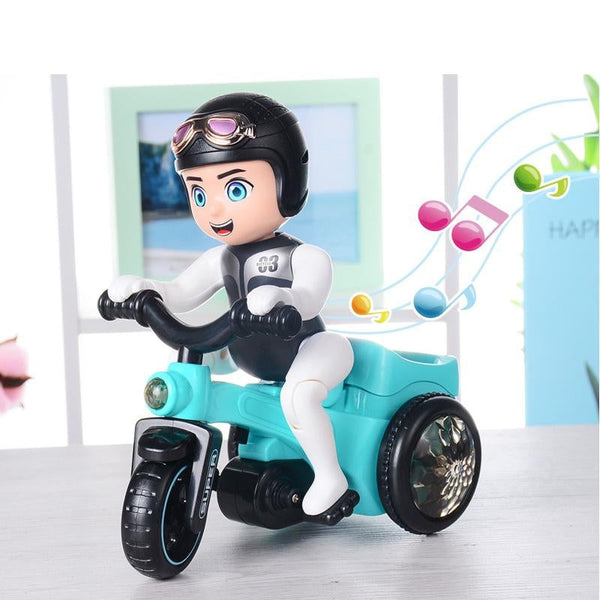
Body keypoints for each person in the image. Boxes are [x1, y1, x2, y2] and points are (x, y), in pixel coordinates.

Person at [108, 93, 358, 521]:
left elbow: (309, 296)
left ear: (286, 184)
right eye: (198, 193)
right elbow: (180, 292)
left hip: (314, 350)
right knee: (201, 367)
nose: (215, 209)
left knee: (299, 396)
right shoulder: (220, 258)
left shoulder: (305, 256)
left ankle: (329, 476)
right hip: (252, 356)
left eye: (235, 189)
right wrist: (142, 290)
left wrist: (283, 297)